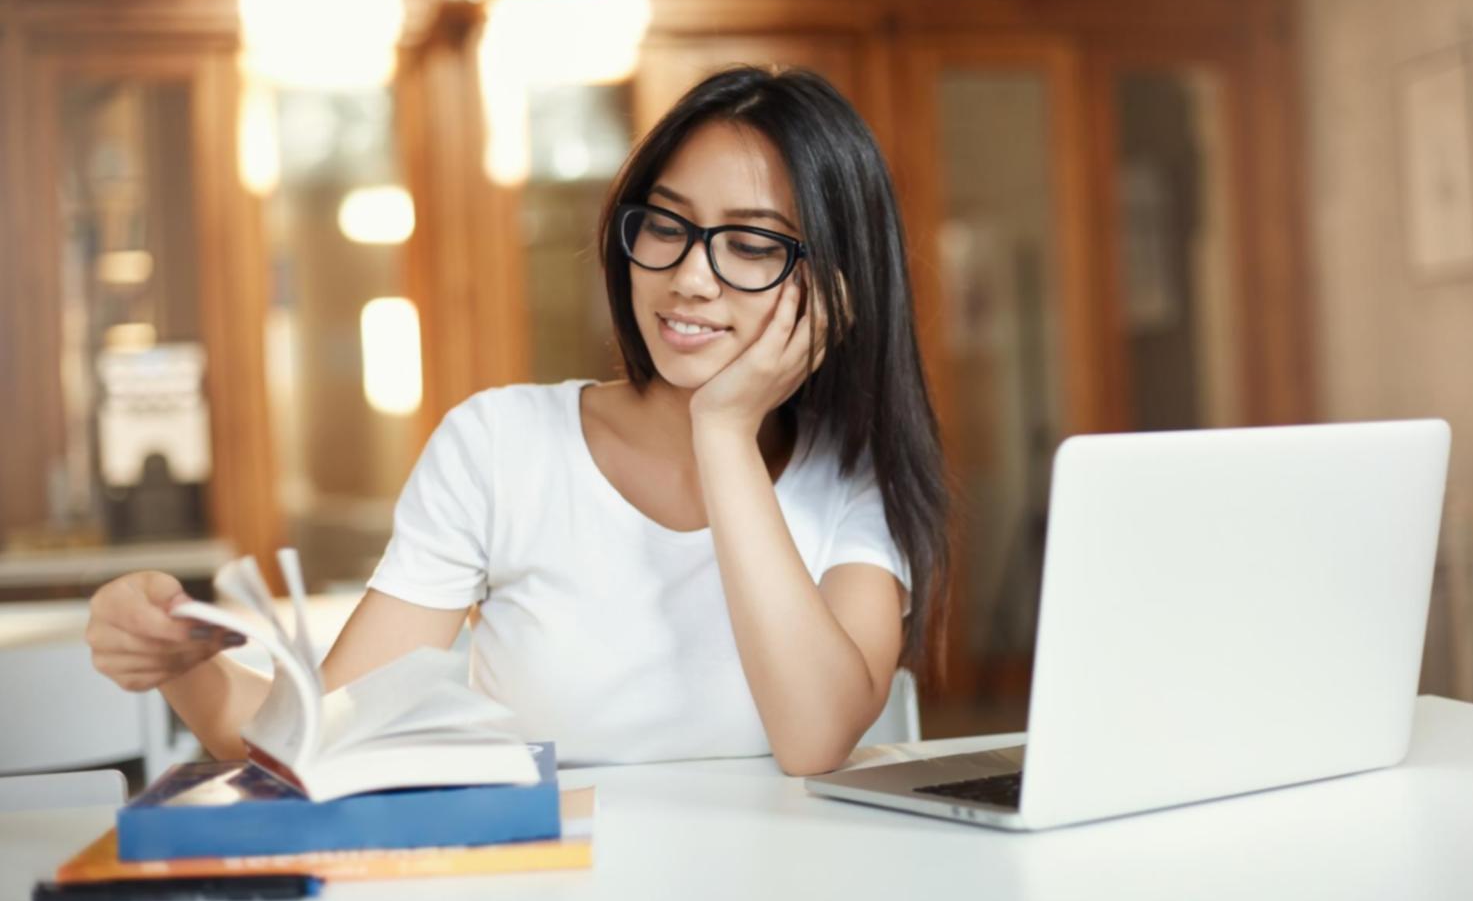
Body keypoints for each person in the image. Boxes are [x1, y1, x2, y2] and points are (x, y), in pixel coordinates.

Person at [85, 66, 950, 776]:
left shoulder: (850, 475)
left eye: (753, 244)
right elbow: (316, 732)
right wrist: (184, 664)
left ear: (835, 284)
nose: (689, 277)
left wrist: (723, 435)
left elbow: (814, 738)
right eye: (668, 225)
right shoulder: (501, 447)